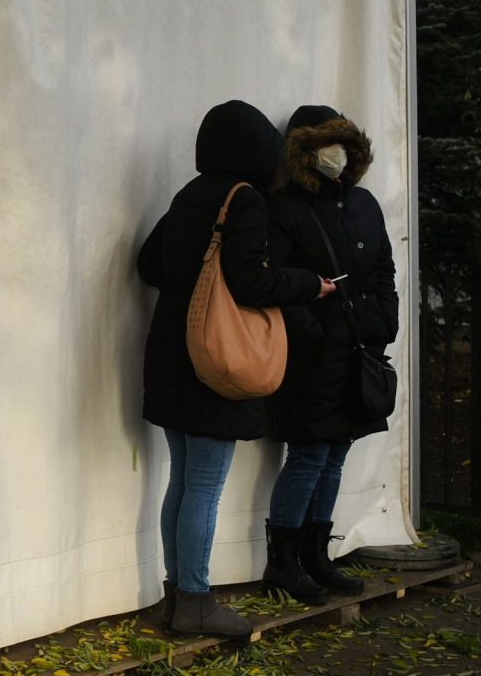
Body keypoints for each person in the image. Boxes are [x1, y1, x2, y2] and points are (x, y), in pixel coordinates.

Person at [137, 102, 333, 636]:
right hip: (214, 362)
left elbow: (148, 263)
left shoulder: (189, 194)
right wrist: (306, 283)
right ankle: (198, 601)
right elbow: (251, 283)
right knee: (203, 485)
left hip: (172, 352)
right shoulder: (244, 199)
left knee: (181, 481)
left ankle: (177, 597)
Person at [259, 106, 400, 605]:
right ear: (304, 153)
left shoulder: (363, 203)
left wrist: (386, 323)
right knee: (309, 456)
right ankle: (284, 564)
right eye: (325, 146)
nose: (336, 156)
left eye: (343, 144)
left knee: (336, 456)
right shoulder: (285, 208)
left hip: (361, 350)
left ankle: (317, 556)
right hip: (313, 357)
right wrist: (312, 333)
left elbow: (384, 269)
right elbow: (275, 279)